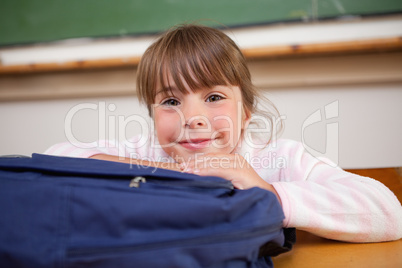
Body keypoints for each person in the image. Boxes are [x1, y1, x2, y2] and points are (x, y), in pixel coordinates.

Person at [45, 24, 402, 243]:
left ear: (245, 114)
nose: (193, 117)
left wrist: (268, 193)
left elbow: (387, 212)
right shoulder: (150, 151)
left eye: (214, 97)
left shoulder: (279, 159)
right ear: (153, 116)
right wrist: (171, 174)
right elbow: (55, 159)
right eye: (170, 100)